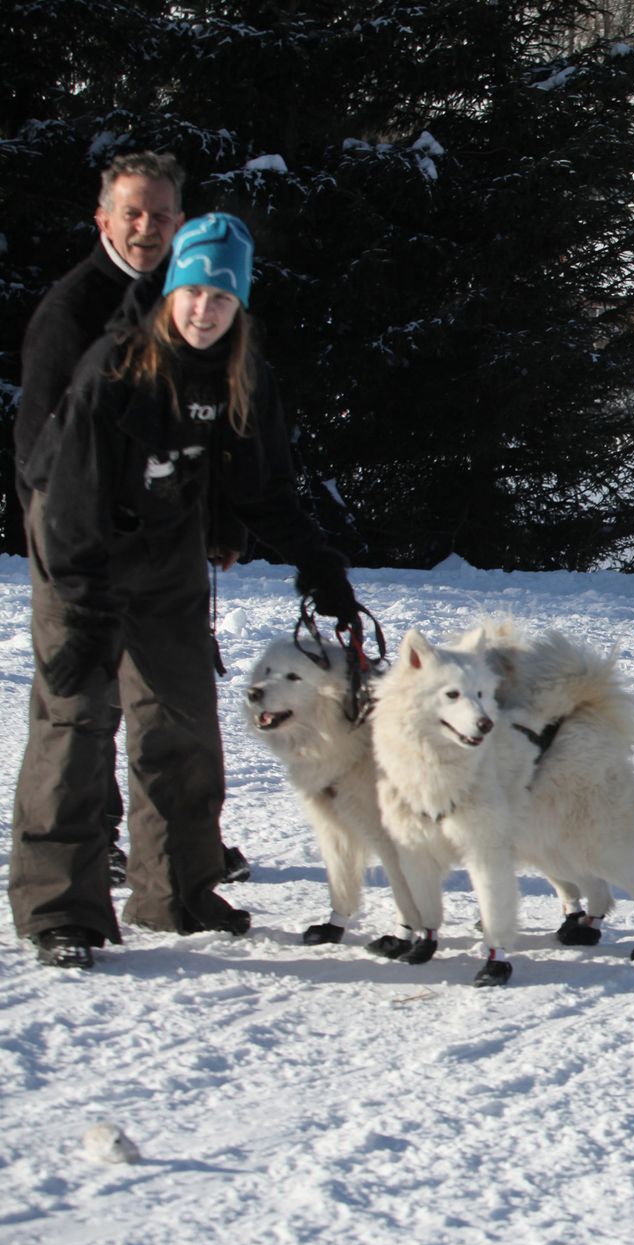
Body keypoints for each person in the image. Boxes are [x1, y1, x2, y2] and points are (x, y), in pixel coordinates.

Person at [11, 213, 360, 969]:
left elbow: (265, 485)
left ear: (241, 307)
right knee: (73, 728)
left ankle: (178, 890)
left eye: (223, 298)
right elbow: (64, 496)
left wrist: (318, 562)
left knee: (185, 723)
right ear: (174, 288)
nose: (206, 310)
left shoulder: (241, 374)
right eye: (196, 291)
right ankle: (60, 911)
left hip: (167, 558)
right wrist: (79, 608)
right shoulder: (113, 367)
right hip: (84, 556)